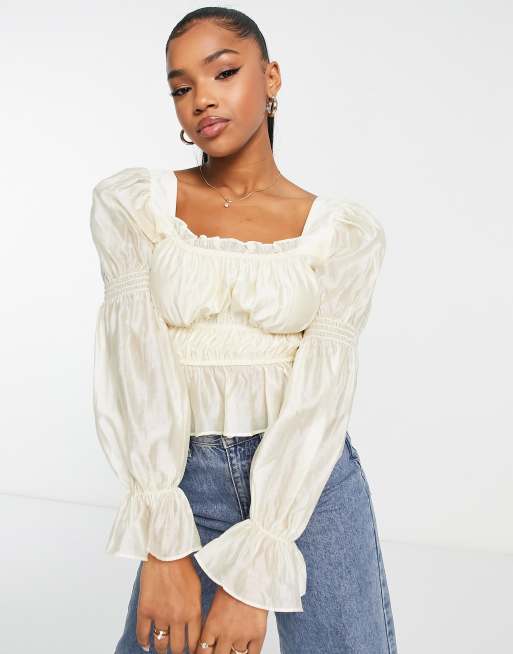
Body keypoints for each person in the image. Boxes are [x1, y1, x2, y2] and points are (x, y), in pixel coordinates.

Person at [90, 6, 398, 654]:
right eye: (181, 87)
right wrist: (163, 545)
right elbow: (131, 363)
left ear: (271, 77)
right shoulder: (137, 205)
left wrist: (260, 564)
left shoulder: (342, 232)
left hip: (307, 486)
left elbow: (323, 390)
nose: (201, 98)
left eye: (223, 72)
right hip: (182, 482)